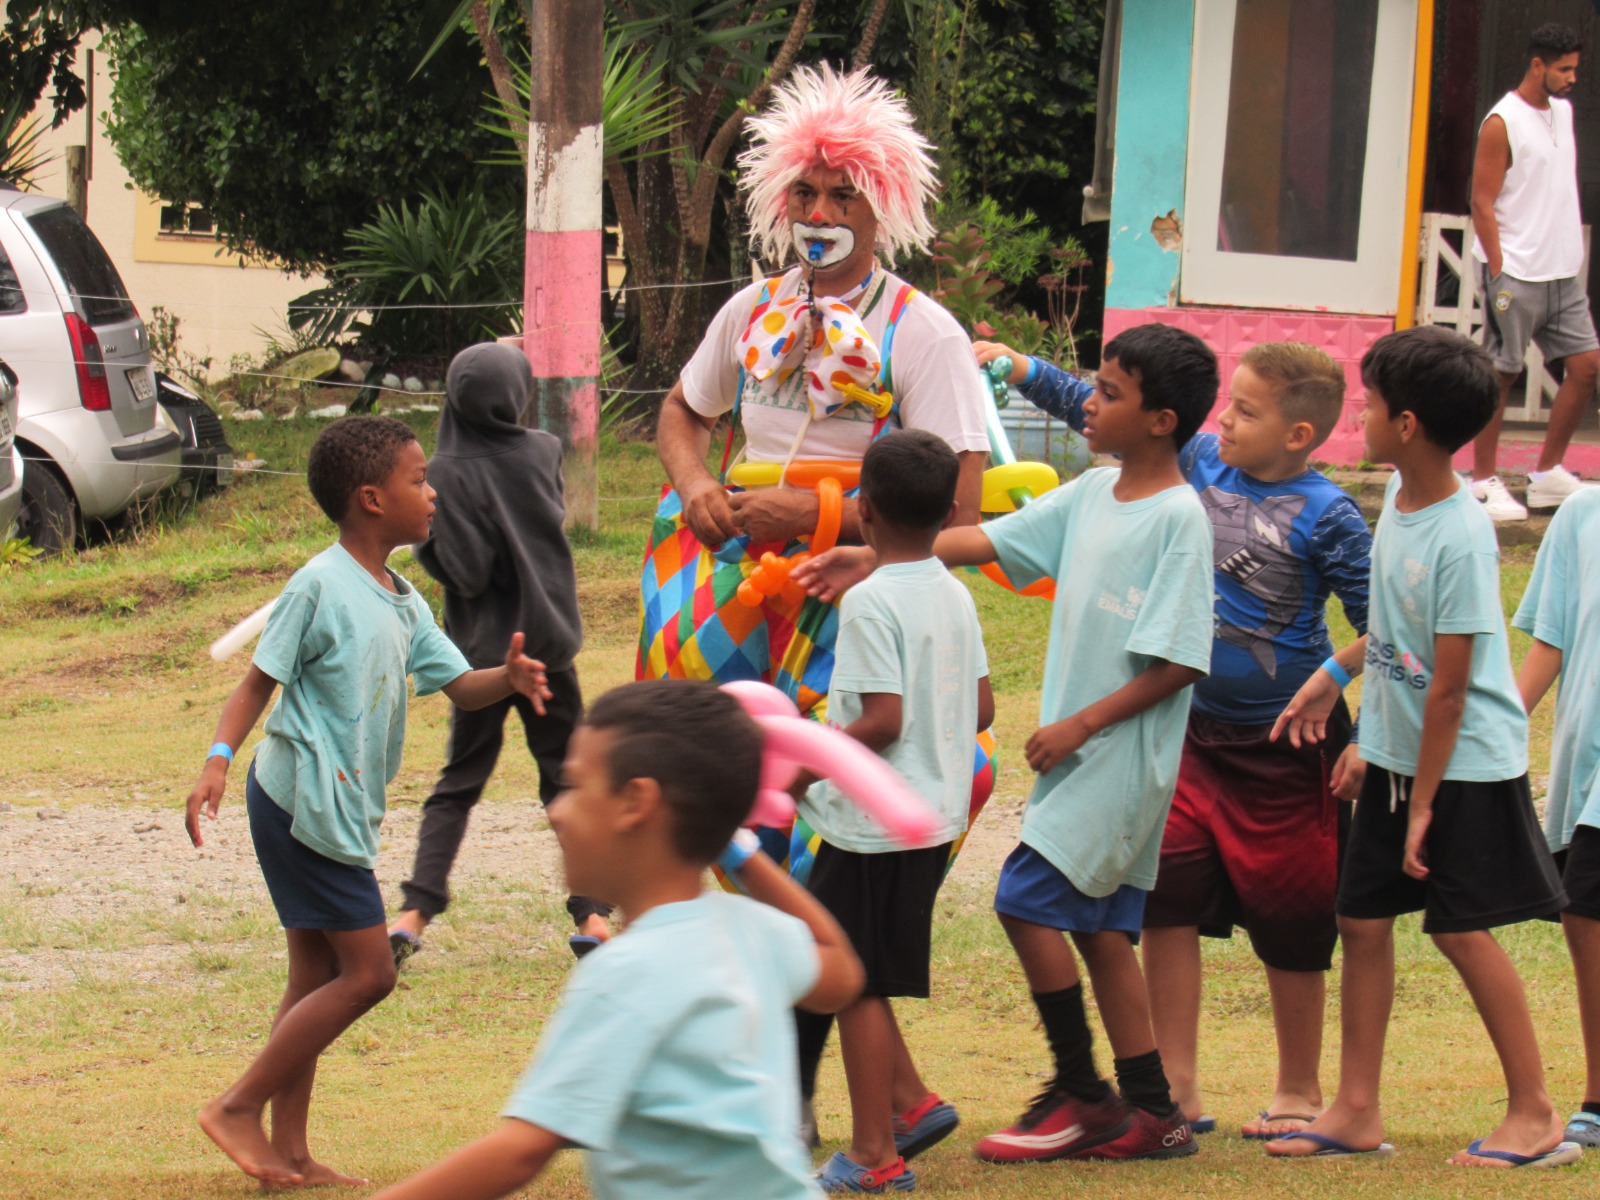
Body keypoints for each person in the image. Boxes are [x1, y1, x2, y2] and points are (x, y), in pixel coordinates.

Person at [801, 323, 1219, 1163]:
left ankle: (1082, 1089)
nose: (1088, 403)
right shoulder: (1095, 492)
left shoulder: (1179, 519)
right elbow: (984, 541)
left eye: (1109, 393)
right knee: (1100, 928)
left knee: (1025, 899)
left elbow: (1180, 662)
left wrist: (1081, 723)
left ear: (1162, 419)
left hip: (1117, 757)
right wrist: (878, 554)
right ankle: (1150, 1107)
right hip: (1081, 759)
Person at [976, 339, 1371, 1138]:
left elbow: (1385, 625)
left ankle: (1296, 1085)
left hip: (1286, 745)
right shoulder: (1198, 461)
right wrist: (1018, 368)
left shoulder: (1331, 514)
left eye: (1246, 413)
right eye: (1226, 407)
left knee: (1291, 915)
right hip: (1184, 735)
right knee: (1167, 901)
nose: (1225, 422)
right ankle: (1175, 1084)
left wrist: (1334, 681)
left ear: (1297, 436)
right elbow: (1104, 405)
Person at [182, 415, 553, 1188]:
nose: (433, 492)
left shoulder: (402, 598)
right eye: (419, 480)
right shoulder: (319, 584)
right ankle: (236, 1106)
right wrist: (217, 760)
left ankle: (290, 1152)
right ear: (371, 499)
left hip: (335, 804)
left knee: (313, 979)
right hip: (300, 800)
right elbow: (258, 682)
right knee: (371, 973)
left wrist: (509, 681)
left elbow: (460, 686)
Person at [1266, 325, 1577, 1167]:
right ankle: (1355, 1108)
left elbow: (1448, 683)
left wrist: (1425, 802)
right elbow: (1396, 632)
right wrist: (1338, 676)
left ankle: (1537, 1114)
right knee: (1361, 920)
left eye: (1366, 404)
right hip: (1400, 759)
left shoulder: (1461, 534)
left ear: (1405, 423)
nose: (1356, 418)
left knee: (1461, 929)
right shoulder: (1399, 505)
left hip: (1463, 766)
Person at [366, 681, 865, 1200]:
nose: (556, 811)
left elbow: (521, 1151)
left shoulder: (627, 971)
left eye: (577, 786)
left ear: (635, 802)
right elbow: (841, 974)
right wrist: (739, 854)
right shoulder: (750, 930)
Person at [799, 430, 993, 1193]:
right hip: (928, 818)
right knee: (859, 971)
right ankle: (910, 1107)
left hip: (872, 826)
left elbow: (881, 720)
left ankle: (876, 1154)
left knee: (855, 982)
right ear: (950, 510)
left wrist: (808, 762)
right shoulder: (953, 588)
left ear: (863, 509)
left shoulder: (871, 599)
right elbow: (980, 704)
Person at [387, 343, 610, 966]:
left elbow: (467, 571)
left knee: (458, 784)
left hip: (482, 663)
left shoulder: (441, 472)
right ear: (517, 394)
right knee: (568, 780)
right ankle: (591, 914)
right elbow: (545, 523)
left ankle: (415, 911)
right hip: (546, 651)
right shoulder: (542, 450)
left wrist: (429, 543)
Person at [1468, 21, 1599, 521]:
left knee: (1586, 368)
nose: (1571, 78)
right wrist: (1499, 271)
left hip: (1562, 272)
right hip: (1515, 272)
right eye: (1564, 69)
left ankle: (1546, 476)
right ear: (1537, 64)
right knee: (1501, 374)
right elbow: (1481, 203)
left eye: (1575, 69)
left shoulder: (1562, 114)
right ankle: (1482, 482)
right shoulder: (1501, 122)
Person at [1513, 486, 1600, 1149]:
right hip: (1586, 761)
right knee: (1584, 914)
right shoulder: (1582, 514)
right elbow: (1552, 642)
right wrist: (1494, 733)